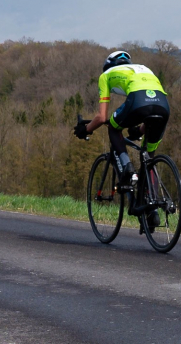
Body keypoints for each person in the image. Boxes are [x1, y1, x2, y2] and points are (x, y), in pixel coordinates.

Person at [73, 50, 170, 224]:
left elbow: (102, 117)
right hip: (163, 106)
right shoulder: (143, 69)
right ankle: (152, 207)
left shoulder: (106, 75)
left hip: (138, 101)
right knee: (149, 157)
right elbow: (151, 106)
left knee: (112, 125)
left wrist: (86, 130)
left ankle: (127, 167)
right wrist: (138, 131)